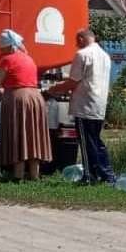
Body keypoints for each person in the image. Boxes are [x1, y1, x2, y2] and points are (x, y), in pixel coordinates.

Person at [46, 29, 115, 185]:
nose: (76, 44)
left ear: (82, 38)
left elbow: (73, 82)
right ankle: (106, 174)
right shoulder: (105, 56)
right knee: (95, 140)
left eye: (77, 41)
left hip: (84, 105)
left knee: (85, 142)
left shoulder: (82, 54)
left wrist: (52, 90)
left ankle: (89, 176)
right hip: (98, 104)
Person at [0, 29, 52, 180]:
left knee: (18, 134)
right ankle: (34, 175)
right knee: (33, 136)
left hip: (19, 100)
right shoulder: (29, 59)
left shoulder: (8, 59)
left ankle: (18, 175)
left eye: (2, 49)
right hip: (35, 99)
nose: (1, 52)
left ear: (9, 47)